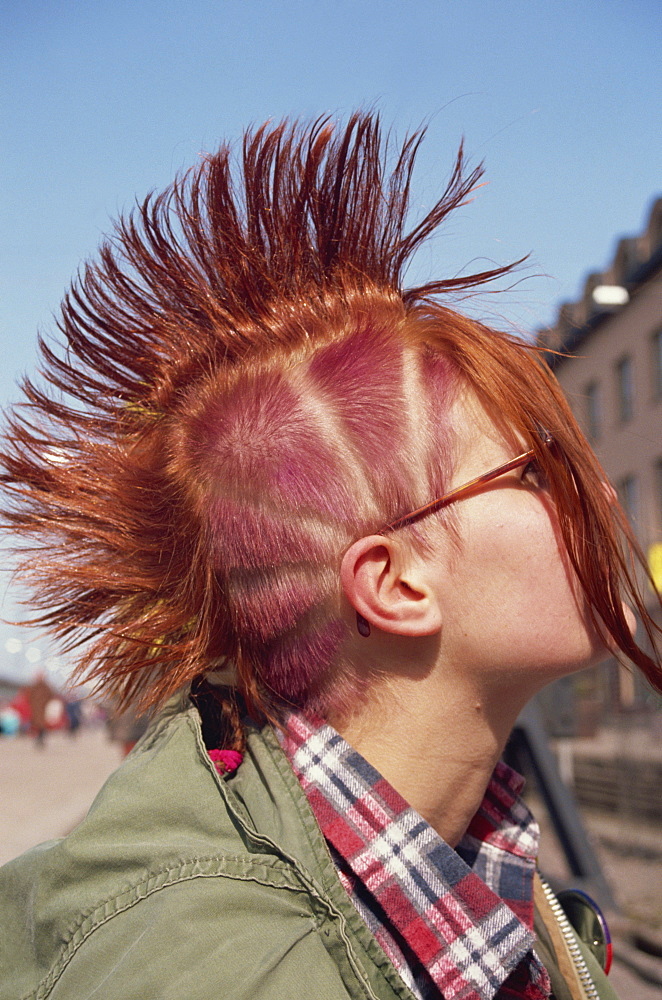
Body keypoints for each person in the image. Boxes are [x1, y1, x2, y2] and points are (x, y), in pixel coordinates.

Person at [0, 114, 659, 1000]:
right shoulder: (233, 976)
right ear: (392, 583)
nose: (600, 495)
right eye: (537, 473)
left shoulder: (476, 858)